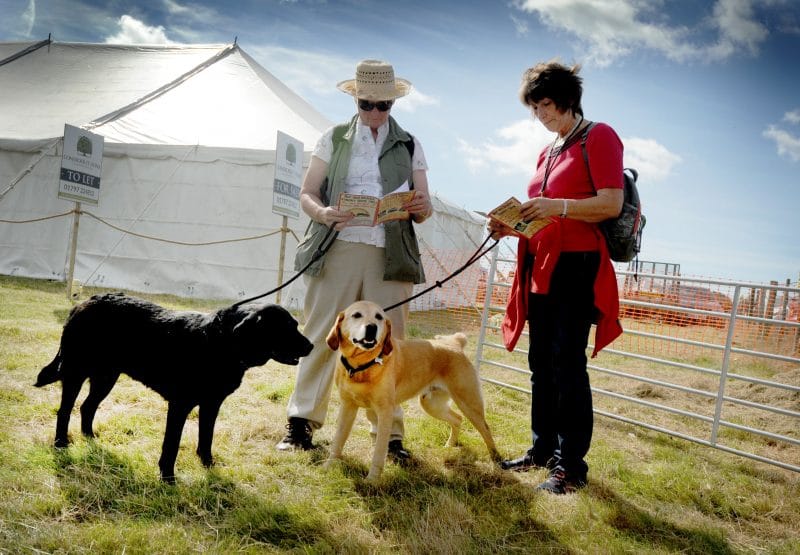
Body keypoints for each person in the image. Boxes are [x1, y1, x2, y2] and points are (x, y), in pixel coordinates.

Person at [276, 59, 433, 461]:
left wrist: (419, 205)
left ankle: (390, 435)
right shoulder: (333, 138)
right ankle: (301, 423)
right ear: (356, 100)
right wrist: (323, 212)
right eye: (368, 104)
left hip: (391, 253)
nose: (376, 113)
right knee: (320, 334)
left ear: (393, 104)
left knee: (389, 344)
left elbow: (424, 207)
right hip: (338, 246)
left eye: (384, 105)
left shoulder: (411, 143)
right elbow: (308, 192)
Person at [488, 60, 623, 494]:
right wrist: (510, 225)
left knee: (567, 366)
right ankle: (542, 449)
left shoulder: (599, 136)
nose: (540, 114)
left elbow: (610, 203)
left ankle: (571, 467)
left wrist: (558, 206)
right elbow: (540, 214)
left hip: (575, 266)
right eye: (535, 107)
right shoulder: (548, 151)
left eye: (545, 104)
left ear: (567, 99)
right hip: (540, 265)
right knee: (540, 365)